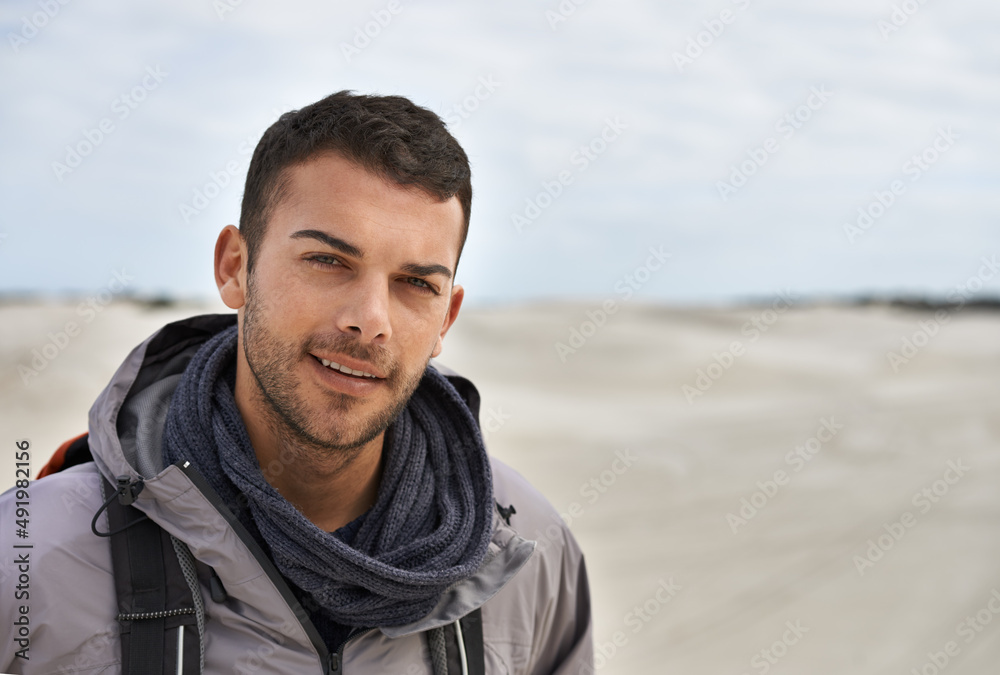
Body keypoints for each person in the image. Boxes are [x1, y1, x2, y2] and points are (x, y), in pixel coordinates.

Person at [0, 91, 593, 673]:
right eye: (328, 260)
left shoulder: (525, 554)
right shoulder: (29, 557)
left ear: (447, 318)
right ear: (236, 268)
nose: (371, 321)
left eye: (416, 283)